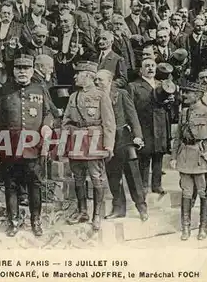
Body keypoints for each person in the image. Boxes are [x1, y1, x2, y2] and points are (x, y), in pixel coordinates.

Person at [0, 54, 54, 237]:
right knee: (10, 185)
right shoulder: (4, 91)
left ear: (32, 71)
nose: (22, 72)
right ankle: (14, 221)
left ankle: (35, 221)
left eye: (26, 69)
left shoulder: (40, 88)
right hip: (9, 146)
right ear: (13, 71)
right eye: (19, 68)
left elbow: (50, 113)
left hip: (33, 147)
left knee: (35, 185)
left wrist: (46, 125)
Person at [61, 61, 115, 231]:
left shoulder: (101, 95)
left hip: (94, 140)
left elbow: (109, 123)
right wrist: (64, 143)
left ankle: (97, 215)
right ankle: (82, 211)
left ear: (88, 76)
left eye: (78, 74)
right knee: (77, 178)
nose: (75, 77)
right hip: (76, 140)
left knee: (96, 178)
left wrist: (109, 145)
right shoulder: (73, 97)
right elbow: (66, 121)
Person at [170, 81, 207, 241]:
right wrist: (174, 157)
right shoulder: (184, 113)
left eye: (188, 93)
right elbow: (178, 138)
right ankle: (186, 228)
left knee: (204, 193)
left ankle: (203, 228)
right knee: (186, 193)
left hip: (202, 158)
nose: (184, 95)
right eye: (183, 92)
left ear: (198, 95)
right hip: (185, 157)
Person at [95, 70, 147, 221]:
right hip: (106, 141)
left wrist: (138, 136)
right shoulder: (95, 96)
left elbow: (132, 116)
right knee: (113, 176)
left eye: (100, 80)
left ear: (110, 80)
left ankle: (142, 208)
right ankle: (119, 208)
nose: (97, 82)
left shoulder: (122, 94)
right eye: (95, 80)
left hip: (124, 138)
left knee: (133, 175)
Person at [128, 58, 172, 194]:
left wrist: (170, 101)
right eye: (147, 66)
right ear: (141, 70)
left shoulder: (163, 84)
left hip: (160, 124)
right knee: (144, 155)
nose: (150, 68)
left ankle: (157, 184)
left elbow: (170, 107)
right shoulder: (134, 86)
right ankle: (144, 185)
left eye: (153, 66)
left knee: (159, 154)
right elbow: (130, 108)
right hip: (143, 124)